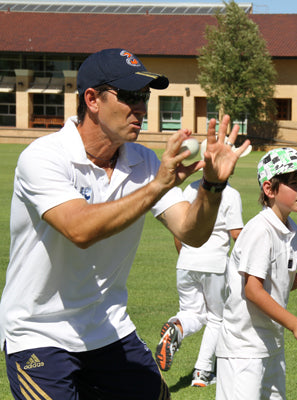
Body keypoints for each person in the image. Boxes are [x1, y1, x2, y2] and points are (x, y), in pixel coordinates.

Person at [0, 48, 249, 400]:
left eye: (144, 96)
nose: (142, 108)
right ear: (92, 100)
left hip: (107, 329)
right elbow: (80, 230)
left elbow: (192, 233)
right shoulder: (43, 157)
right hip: (38, 333)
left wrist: (212, 186)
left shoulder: (144, 161)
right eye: (130, 96)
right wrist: (157, 186)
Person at [215, 147, 297, 400]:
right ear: (269, 189)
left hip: (270, 344)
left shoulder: (289, 229)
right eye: (294, 183)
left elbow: (274, 287)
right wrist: (296, 325)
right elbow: (252, 291)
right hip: (243, 348)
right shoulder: (259, 231)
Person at [155, 173, 245, 386]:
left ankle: (176, 327)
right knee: (216, 317)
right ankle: (202, 372)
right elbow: (236, 235)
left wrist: (184, 255)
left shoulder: (190, 189)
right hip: (214, 263)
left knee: (190, 312)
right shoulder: (230, 194)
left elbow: (179, 230)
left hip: (186, 260)